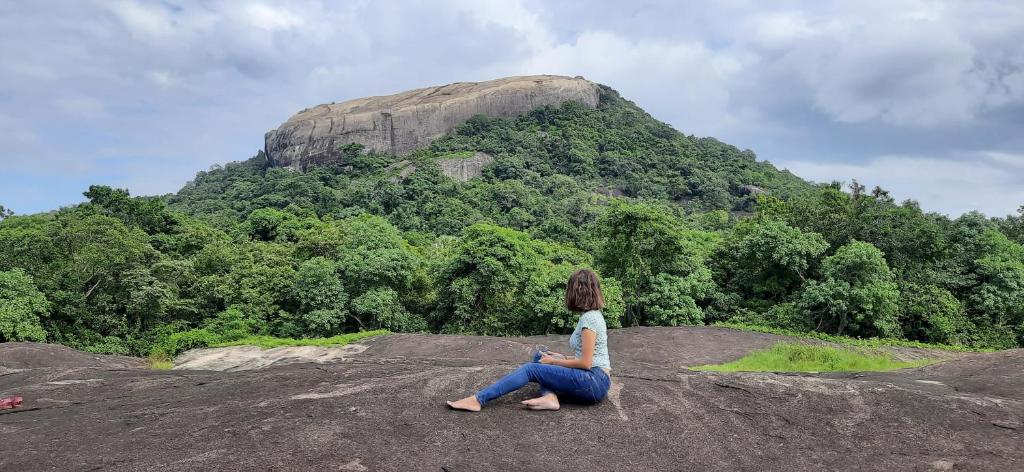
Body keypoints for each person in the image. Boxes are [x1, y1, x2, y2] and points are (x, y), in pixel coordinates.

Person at [446, 269, 612, 412]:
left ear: (578, 291)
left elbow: (585, 363)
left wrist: (554, 361)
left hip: (593, 381)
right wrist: (560, 357)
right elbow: (589, 356)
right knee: (540, 357)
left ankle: (478, 400)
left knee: (530, 369)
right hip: (593, 379)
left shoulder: (589, 319)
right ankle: (550, 398)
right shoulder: (591, 316)